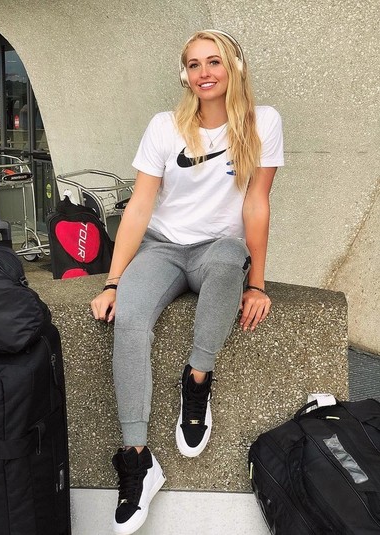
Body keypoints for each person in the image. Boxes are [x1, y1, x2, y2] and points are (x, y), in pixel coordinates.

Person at [91, 29, 284, 535]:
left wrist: (258, 283)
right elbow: (139, 205)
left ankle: (197, 380)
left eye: (213, 61)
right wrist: (114, 281)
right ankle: (137, 458)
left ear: (234, 66)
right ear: (185, 74)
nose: (204, 72)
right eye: (194, 64)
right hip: (163, 248)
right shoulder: (165, 126)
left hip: (219, 250)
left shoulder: (263, 122)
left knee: (227, 262)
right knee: (129, 318)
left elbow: (256, 203)